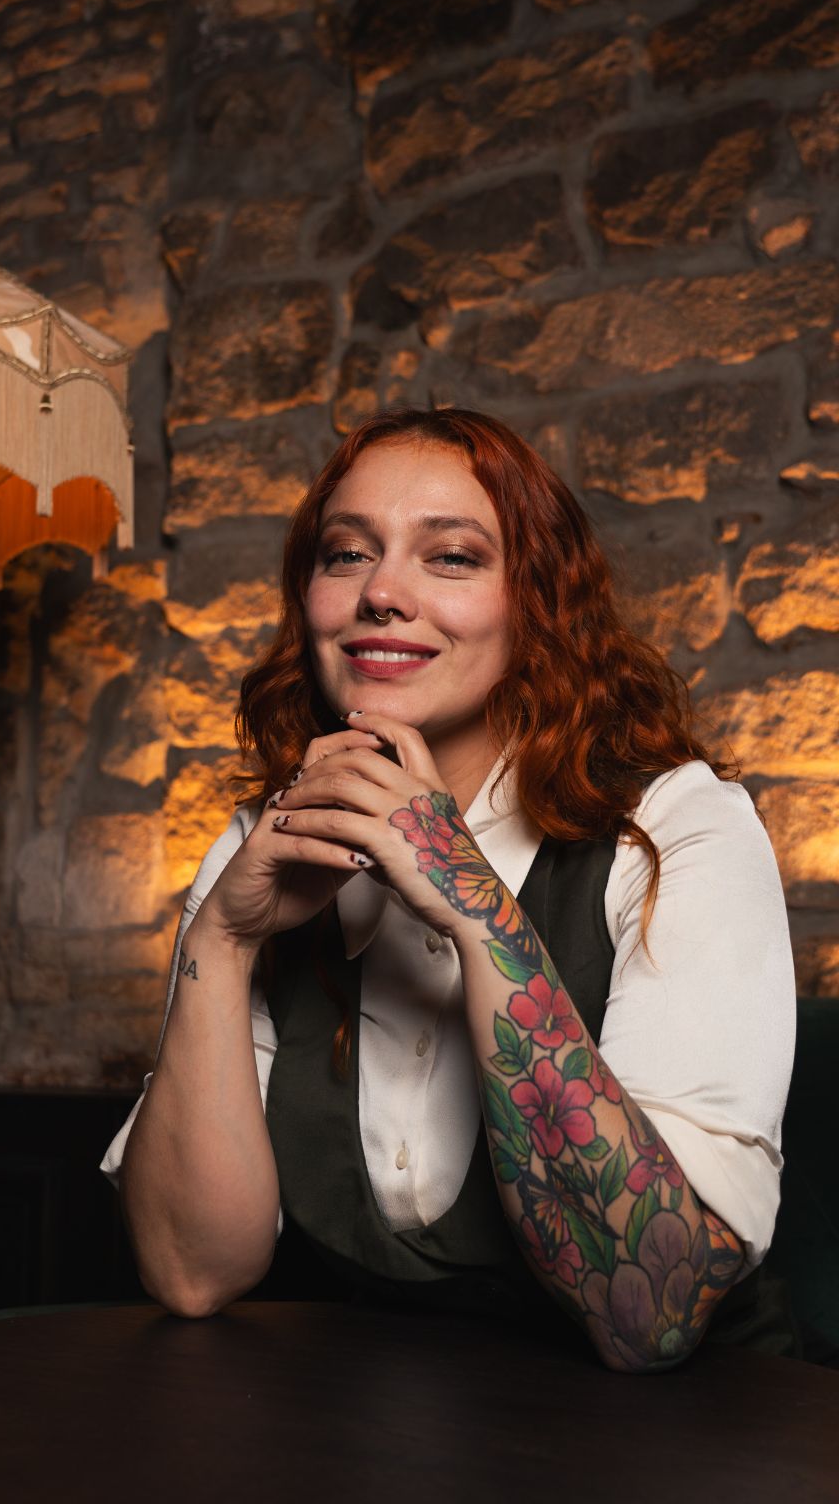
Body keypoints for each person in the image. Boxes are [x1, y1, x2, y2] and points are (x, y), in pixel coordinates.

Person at [101, 407, 795, 1372]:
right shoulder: (266, 839)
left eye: (453, 557)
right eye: (347, 554)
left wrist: (472, 905)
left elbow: (653, 1315)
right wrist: (218, 943)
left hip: (693, 1427)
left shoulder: (678, 828)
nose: (381, 593)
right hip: (375, 1419)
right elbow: (191, 1274)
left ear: (538, 602)